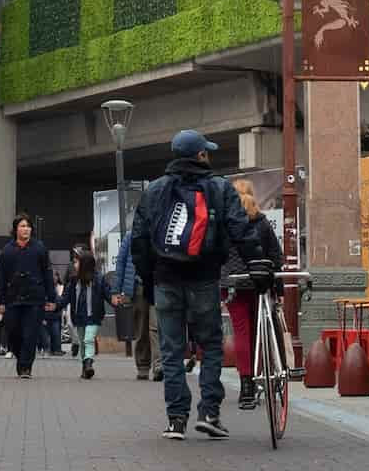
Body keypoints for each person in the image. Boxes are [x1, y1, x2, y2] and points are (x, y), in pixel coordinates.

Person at [131, 129, 259, 441]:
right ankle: (210, 413)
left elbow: (139, 239)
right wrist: (257, 262)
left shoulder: (155, 190)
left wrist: (150, 279)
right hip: (203, 277)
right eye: (207, 151)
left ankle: (176, 420)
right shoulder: (218, 187)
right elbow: (239, 229)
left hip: (165, 279)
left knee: (172, 350)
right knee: (211, 345)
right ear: (201, 155)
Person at [221, 179, 283, 409]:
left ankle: (246, 385)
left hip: (234, 285)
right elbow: (275, 255)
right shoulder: (262, 222)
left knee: (241, 332)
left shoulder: (227, 224)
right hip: (261, 283)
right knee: (261, 329)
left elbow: (220, 255)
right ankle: (266, 373)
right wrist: (278, 287)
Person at [0, 213, 56, 379]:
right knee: (13, 332)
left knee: (30, 334)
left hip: (34, 298)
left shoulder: (40, 248)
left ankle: (25, 367)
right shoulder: (7, 251)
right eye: (22, 226)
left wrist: (52, 298)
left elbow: (47, 274)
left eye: (28, 226)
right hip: (12, 298)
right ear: (15, 229)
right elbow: (1, 277)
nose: (26, 229)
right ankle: (20, 356)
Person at [55, 250, 114, 379]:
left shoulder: (99, 280)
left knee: (88, 340)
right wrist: (55, 305)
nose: (74, 265)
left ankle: (89, 362)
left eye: (76, 262)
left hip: (94, 317)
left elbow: (108, 294)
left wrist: (115, 300)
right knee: (82, 342)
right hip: (79, 317)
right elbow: (65, 299)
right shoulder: (73, 281)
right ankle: (85, 366)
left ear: (85, 264)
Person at [115, 228, 162, 381]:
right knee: (141, 329)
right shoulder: (130, 236)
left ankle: (158, 366)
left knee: (155, 327)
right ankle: (143, 366)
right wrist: (117, 290)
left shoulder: (159, 231)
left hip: (157, 285)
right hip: (138, 287)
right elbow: (121, 263)